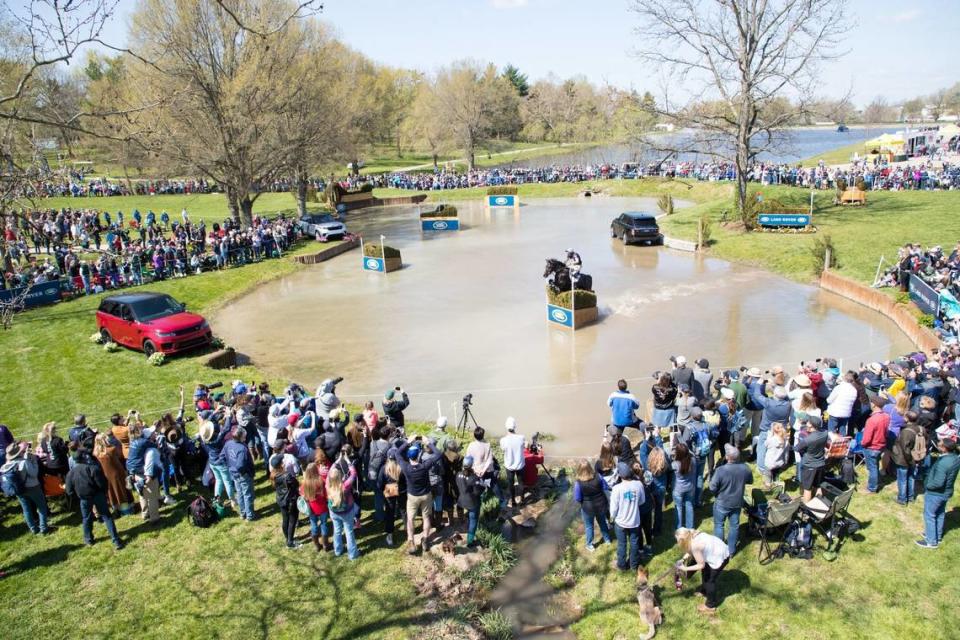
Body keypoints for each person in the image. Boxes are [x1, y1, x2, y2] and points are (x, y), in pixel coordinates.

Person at [65, 448, 124, 550]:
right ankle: (116, 540)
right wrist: (104, 493)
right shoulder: (92, 468)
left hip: (84, 499)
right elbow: (102, 483)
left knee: (86, 518)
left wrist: (78, 493)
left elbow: (69, 491)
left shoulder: (71, 473)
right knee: (107, 516)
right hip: (97, 495)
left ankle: (88, 540)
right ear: (84, 457)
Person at [397, 437, 443, 554]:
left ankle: (411, 541)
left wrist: (407, 442)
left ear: (408, 456)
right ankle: (426, 540)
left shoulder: (406, 467)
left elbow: (397, 453)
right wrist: (428, 442)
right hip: (426, 495)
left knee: (410, 519)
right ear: (418, 455)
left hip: (412, 496)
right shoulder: (424, 466)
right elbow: (438, 454)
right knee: (426, 517)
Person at [916, 433, 960, 549]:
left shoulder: (943, 463)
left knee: (929, 515)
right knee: (940, 514)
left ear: (944, 448)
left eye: (940, 446)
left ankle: (931, 541)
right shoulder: (955, 458)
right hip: (946, 492)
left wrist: (928, 485)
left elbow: (938, 482)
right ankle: (937, 536)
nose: (938, 447)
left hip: (936, 493)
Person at [708, 444, 753, 556]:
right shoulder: (745, 468)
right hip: (737, 502)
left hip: (722, 502)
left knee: (719, 525)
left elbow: (712, 487)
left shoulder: (720, 470)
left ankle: (719, 551)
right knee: (734, 526)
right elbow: (750, 481)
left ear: (727, 457)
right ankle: (731, 551)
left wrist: (716, 493)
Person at [675, 527, 731, 614]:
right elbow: (690, 548)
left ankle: (710, 606)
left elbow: (701, 565)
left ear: (683, 540)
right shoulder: (692, 533)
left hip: (720, 557)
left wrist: (685, 568)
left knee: (709, 581)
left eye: (678, 541)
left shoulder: (695, 546)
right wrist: (683, 559)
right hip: (718, 549)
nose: (678, 543)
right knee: (705, 573)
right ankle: (704, 591)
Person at [2, 442, 52, 535]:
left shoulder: (6, 465)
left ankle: (33, 529)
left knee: (26, 509)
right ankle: (44, 528)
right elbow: (34, 473)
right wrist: (33, 461)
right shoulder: (23, 462)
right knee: (41, 506)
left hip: (19, 490)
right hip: (33, 487)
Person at [609, 462, 644, 571]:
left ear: (619, 475)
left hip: (621, 522)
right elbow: (642, 501)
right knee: (634, 543)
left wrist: (612, 517)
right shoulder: (639, 484)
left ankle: (621, 565)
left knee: (622, 544)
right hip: (635, 521)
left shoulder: (617, 488)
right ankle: (634, 565)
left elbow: (614, 508)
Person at [92, 433, 134, 516]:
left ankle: (116, 509)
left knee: (111, 492)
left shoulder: (96, 453)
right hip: (117, 473)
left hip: (106, 476)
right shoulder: (111, 449)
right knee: (121, 491)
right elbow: (119, 455)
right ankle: (126, 510)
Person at [573, 460, 611, 551]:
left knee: (589, 526)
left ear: (579, 470)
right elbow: (605, 487)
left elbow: (577, 498)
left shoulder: (578, 483)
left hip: (587, 508)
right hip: (601, 504)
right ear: (590, 468)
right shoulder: (598, 476)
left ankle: (590, 545)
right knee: (602, 522)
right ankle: (607, 540)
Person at [327, 464, 360, 559]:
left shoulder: (328, 485)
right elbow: (353, 474)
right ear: (340, 476)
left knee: (337, 531)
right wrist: (349, 463)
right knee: (349, 531)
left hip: (334, 512)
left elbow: (329, 473)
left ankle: (338, 550)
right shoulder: (345, 486)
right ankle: (353, 554)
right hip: (347, 512)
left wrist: (333, 464)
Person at [199, 420, 234, 507]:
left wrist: (215, 412)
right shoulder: (217, 440)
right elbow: (226, 429)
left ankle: (217, 499)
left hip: (212, 463)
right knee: (227, 481)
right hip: (221, 463)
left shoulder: (204, 440)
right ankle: (232, 500)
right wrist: (229, 416)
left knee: (218, 480)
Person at [794, 416, 828, 503]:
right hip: (821, 464)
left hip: (810, 465)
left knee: (807, 488)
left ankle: (807, 509)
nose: (806, 424)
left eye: (808, 423)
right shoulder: (825, 433)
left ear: (812, 426)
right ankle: (818, 504)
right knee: (818, 486)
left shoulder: (809, 439)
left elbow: (797, 448)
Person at [224, 427, 256, 521]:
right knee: (247, 494)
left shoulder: (228, 443)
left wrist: (230, 467)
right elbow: (240, 465)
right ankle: (250, 515)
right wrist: (245, 472)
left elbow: (223, 456)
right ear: (240, 437)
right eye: (244, 437)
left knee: (239, 493)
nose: (245, 438)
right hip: (243, 474)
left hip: (234, 474)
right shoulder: (242, 448)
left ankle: (243, 513)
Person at [861, 396, 890, 493]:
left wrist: (863, 444)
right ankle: (878, 481)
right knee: (876, 465)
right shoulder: (887, 416)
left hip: (871, 447)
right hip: (881, 445)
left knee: (872, 468)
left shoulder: (872, 420)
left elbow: (867, 438)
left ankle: (872, 488)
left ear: (874, 404)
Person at [271, 455, 301, 549]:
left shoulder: (273, 475)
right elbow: (296, 484)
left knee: (285, 519)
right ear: (280, 465)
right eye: (282, 462)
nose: (283, 463)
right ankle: (290, 542)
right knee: (293, 520)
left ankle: (287, 537)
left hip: (281, 500)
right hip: (290, 501)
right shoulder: (286, 475)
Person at [891, 412, 922, 505]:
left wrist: (910, 460)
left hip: (904, 460)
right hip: (915, 458)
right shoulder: (921, 429)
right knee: (911, 478)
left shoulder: (906, 431)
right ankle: (910, 497)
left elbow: (905, 449)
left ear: (907, 418)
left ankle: (902, 499)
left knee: (902, 480)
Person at [378, 449, 406, 547]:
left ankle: (389, 536)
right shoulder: (401, 467)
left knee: (390, 512)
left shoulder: (384, 468)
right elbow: (406, 480)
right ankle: (408, 529)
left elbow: (380, 483)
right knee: (403, 510)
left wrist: (383, 489)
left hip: (389, 490)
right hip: (401, 491)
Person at [456, 456, 485, 548]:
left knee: (469, 515)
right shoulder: (474, 478)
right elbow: (477, 492)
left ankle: (463, 522)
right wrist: (483, 486)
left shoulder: (458, 474)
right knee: (473, 521)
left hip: (461, 501)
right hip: (472, 503)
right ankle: (470, 542)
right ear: (472, 465)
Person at [300, 462, 330, 552]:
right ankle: (325, 545)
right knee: (324, 524)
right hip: (322, 507)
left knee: (313, 525)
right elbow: (326, 494)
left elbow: (302, 495)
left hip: (311, 508)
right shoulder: (321, 481)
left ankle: (317, 545)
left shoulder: (304, 483)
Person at [500, 417, 526, 508]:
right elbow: (525, 446)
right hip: (520, 465)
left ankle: (513, 501)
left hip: (509, 466)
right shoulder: (521, 438)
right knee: (521, 483)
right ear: (515, 427)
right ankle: (522, 499)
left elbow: (503, 449)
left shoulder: (503, 440)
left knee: (510, 484)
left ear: (506, 427)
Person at [672, 443, 697, 529]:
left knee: (678, 508)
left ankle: (679, 528)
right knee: (689, 505)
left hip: (678, 489)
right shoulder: (693, 460)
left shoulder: (675, 464)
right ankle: (690, 528)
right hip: (690, 487)